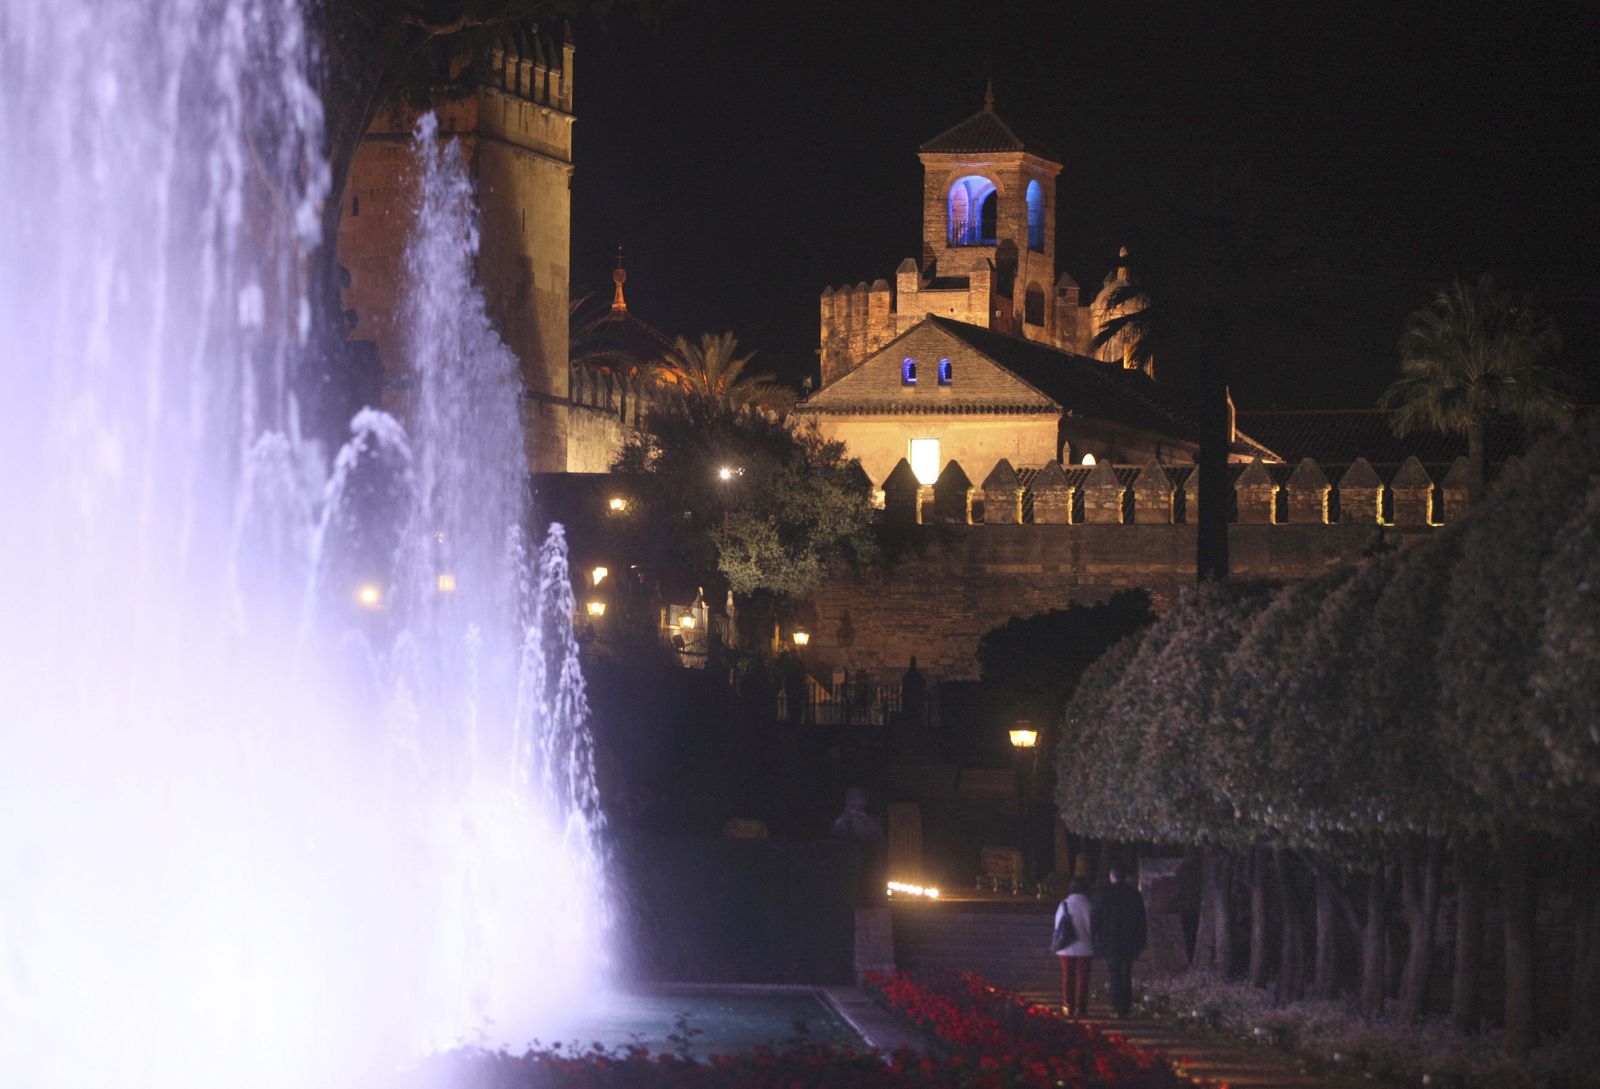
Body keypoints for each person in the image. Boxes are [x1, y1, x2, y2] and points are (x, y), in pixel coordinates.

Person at [1091, 862, 1148, 1018]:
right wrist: (1141, 940)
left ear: (1112, 877)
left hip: (1110, 941)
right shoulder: (1135, 895)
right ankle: (1126, 1006)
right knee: (1127, 973)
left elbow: (1095, 917)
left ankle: (1117, 1006)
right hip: (1129, 941)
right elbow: (1141, 920)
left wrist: (1093, 934)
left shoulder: (1104, 894)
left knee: (1114, 973)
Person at [1054, 877, 1095, 1017]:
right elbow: (1091, 928)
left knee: (1067, 976)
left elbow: (1057, 926)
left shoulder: (1063, 904)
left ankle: (1068, 1006)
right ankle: (1081, 1008)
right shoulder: (1089, 905)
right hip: (1085, 947)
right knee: (1083, 978)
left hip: (1066, 947)